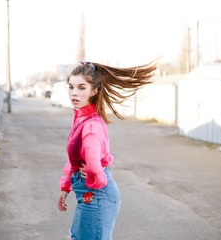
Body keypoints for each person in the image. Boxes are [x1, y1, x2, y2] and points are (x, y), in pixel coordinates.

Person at [57, 60, 157, 240]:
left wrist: (96, 176)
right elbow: (76, 160)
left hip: (98, 196)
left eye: (81, 88)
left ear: (94, 91)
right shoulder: (81, 119)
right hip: (89, 196)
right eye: (71, 87)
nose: (74, 93)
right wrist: (66, 187)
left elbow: (94, 167)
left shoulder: (91, 126)